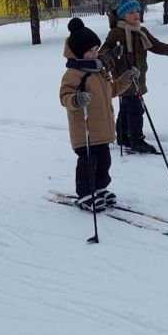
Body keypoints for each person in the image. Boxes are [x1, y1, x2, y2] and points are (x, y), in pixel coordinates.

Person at [60, 18, 136, 211]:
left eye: (97, 49)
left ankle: (100, 189)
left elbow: (111, 91)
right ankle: (86, 193)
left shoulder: (99, 71)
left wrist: (126, 79)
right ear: (79, 52)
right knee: (87, 164)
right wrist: (78, 99)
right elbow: (65, 97)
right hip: (85, 132)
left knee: (104, 162)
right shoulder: (73, 74)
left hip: (103, 131)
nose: (96, 53)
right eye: (91, 50)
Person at [100, 0, 168, 154]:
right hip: (124, 78)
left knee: (126, 108)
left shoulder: (141, 30)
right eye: (131, 12)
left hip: (139, 76)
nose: (136, 15)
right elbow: (103, 51)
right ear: (122, 14)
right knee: (136, 109)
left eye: (137, 11)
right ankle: (136, 140)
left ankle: (123, 136)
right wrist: (113, 52)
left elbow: (155, 45)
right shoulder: (117, 32)